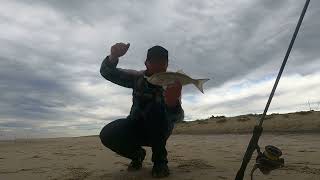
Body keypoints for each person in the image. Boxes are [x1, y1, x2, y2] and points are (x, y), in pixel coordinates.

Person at [99, 42, 184, 178]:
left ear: (167, 64)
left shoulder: (172, 84)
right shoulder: (137, 77)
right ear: (146, 63)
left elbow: (178, 118)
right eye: (154, 61)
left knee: (156, 111)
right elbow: (108, 73)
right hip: (136, 125)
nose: (158, 65)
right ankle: (137, 155)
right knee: (107, 134)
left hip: (160, 131)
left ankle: (160, 162)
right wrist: (113, 56)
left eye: (162, 61)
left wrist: (172, 103)